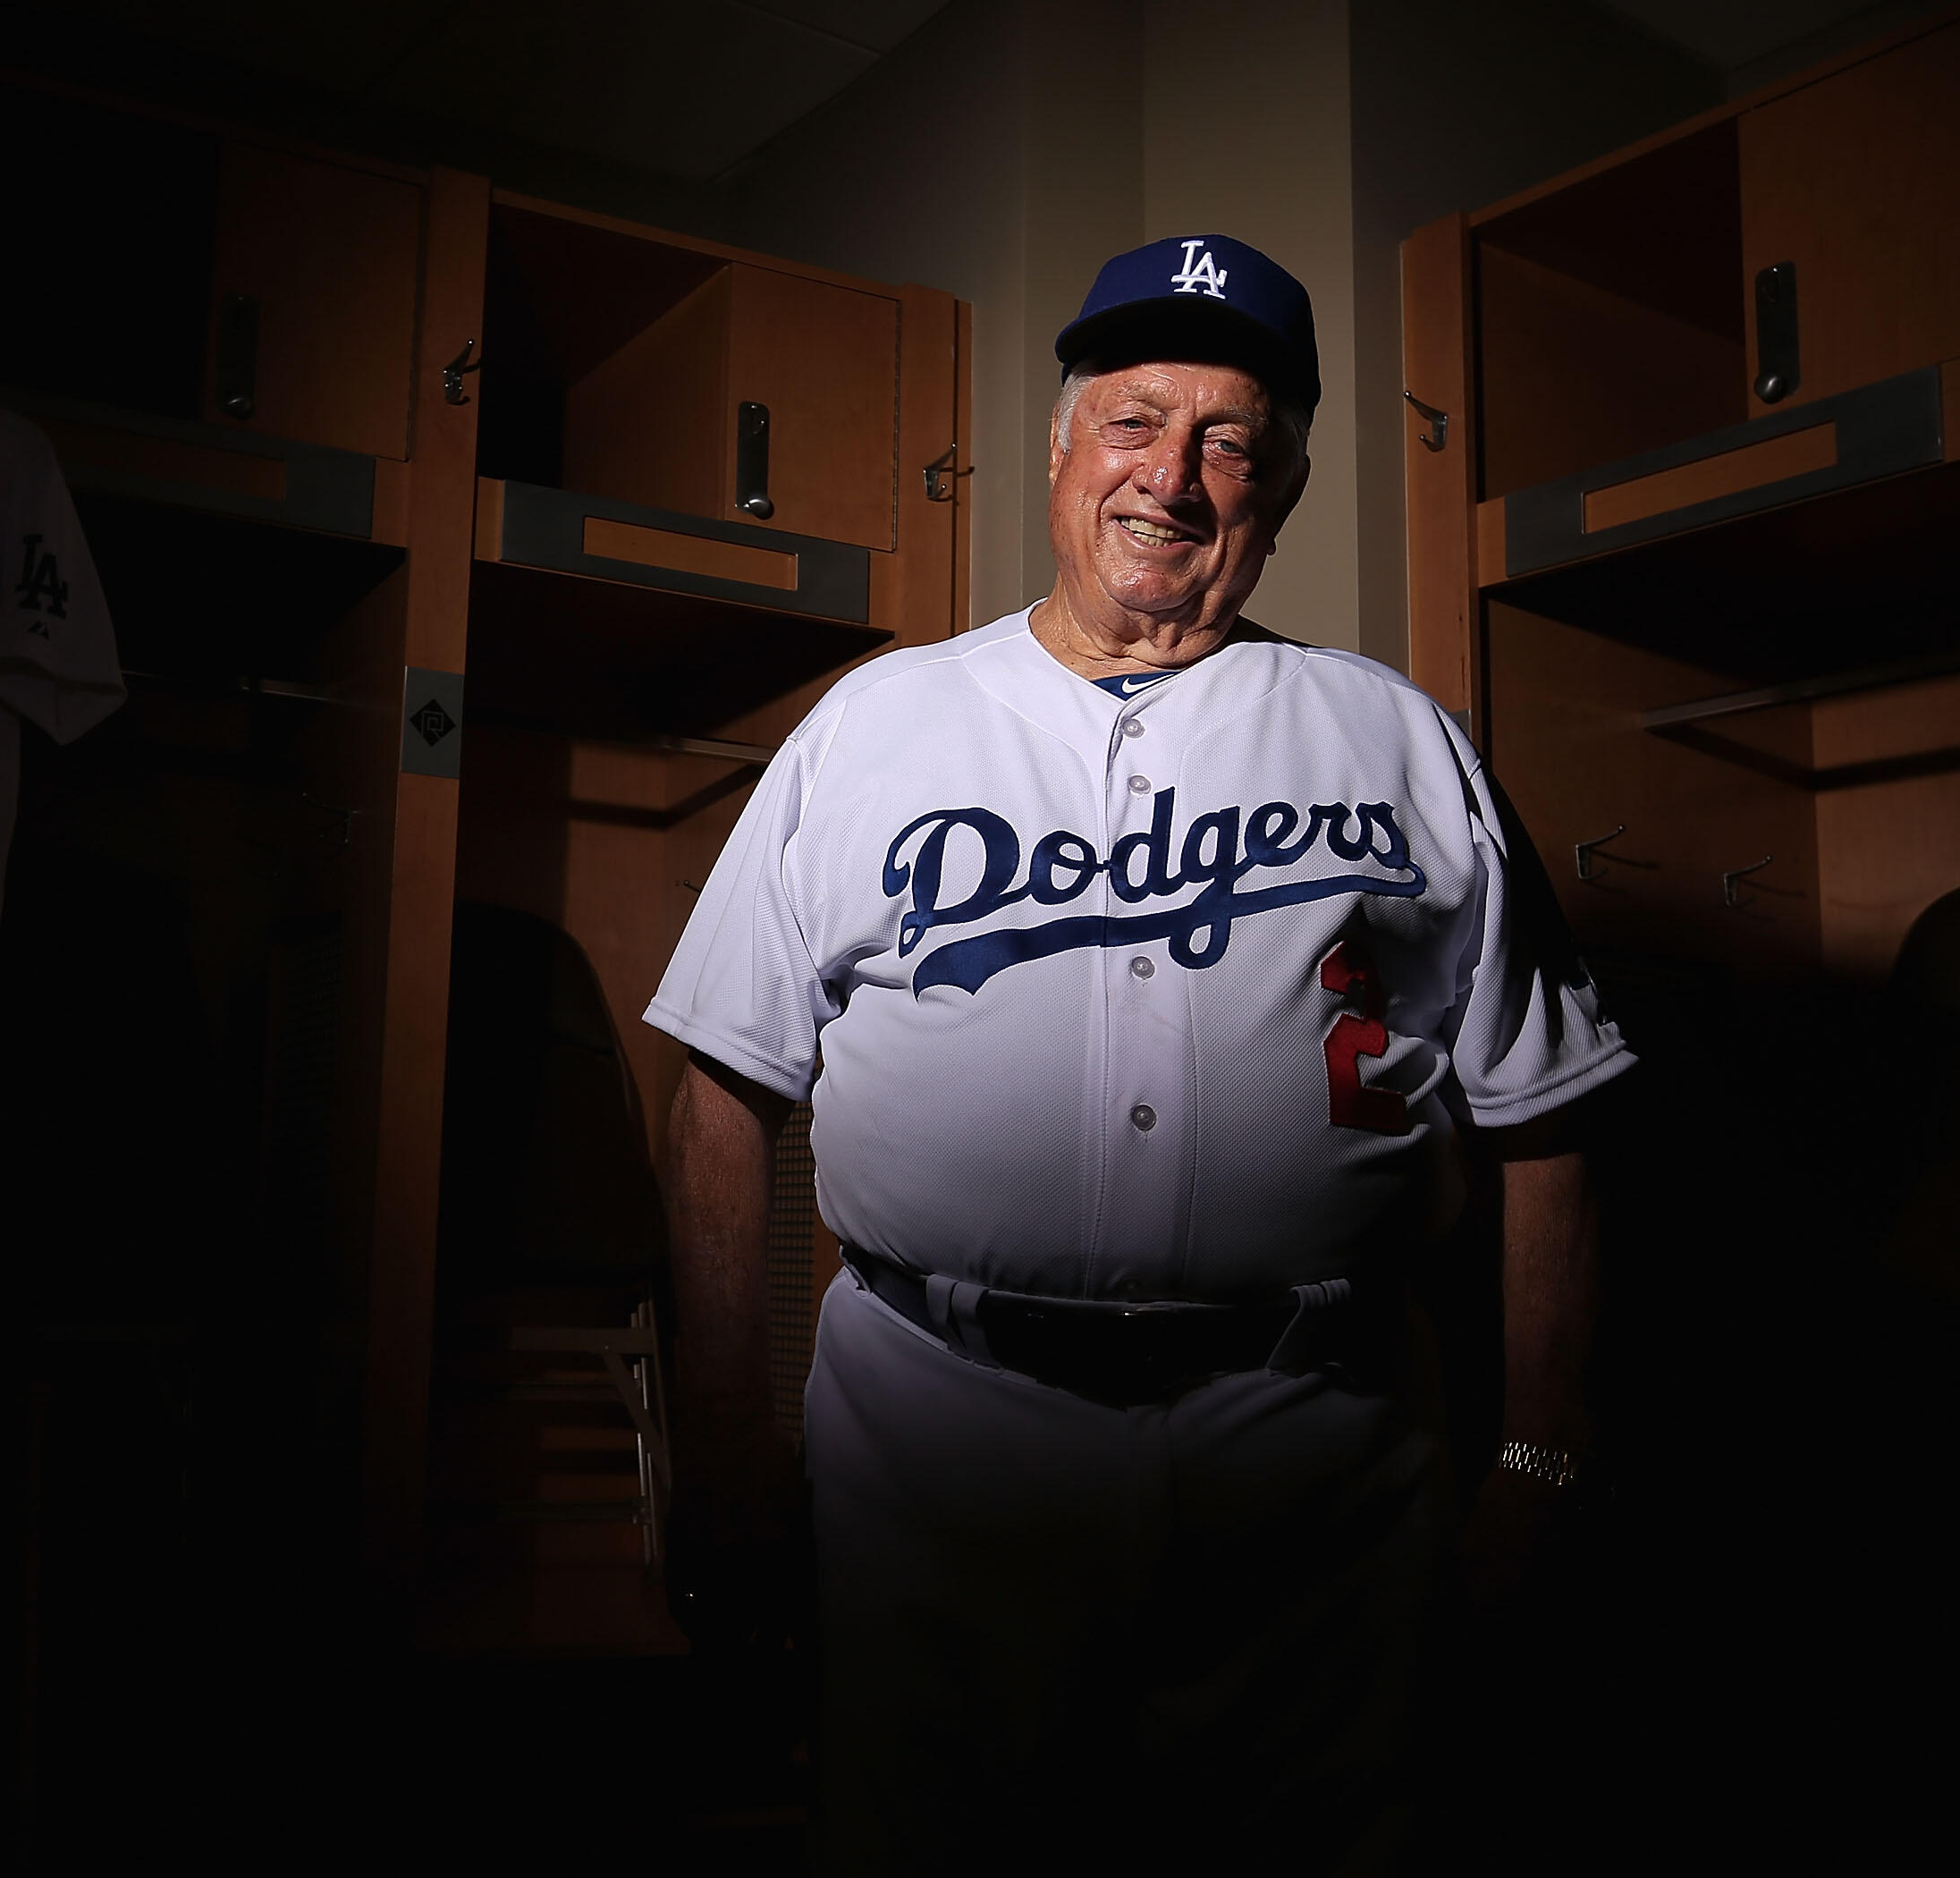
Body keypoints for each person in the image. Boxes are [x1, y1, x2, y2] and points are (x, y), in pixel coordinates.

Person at [645, 233, 1631, 1870]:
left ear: (1287, 487)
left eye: (1231, 440)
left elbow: (1553, 1121)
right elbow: (722, 1092)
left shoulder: (1397, 740)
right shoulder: (876, 726)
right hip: (935, 1448)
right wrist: (731, 1454)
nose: (1171, 477)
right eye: (1133, 420)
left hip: (1315, 1461)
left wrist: (1540, 1462)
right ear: (1058, 449)